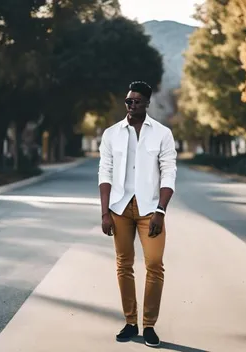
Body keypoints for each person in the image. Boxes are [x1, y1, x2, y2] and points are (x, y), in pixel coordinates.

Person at [98, 81, 177, 347]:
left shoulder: (162, 134)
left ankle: (150, 325)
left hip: (150, 210)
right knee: (124, 265)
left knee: (154, 264)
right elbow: (104, 173)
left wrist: (160, 211)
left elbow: (168, 173)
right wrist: (105, 212)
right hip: (119, 208)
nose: (130, 105)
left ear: (146, 103)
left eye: (136, 101)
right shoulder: (111, 134)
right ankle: (131, 322)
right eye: (128, 101)